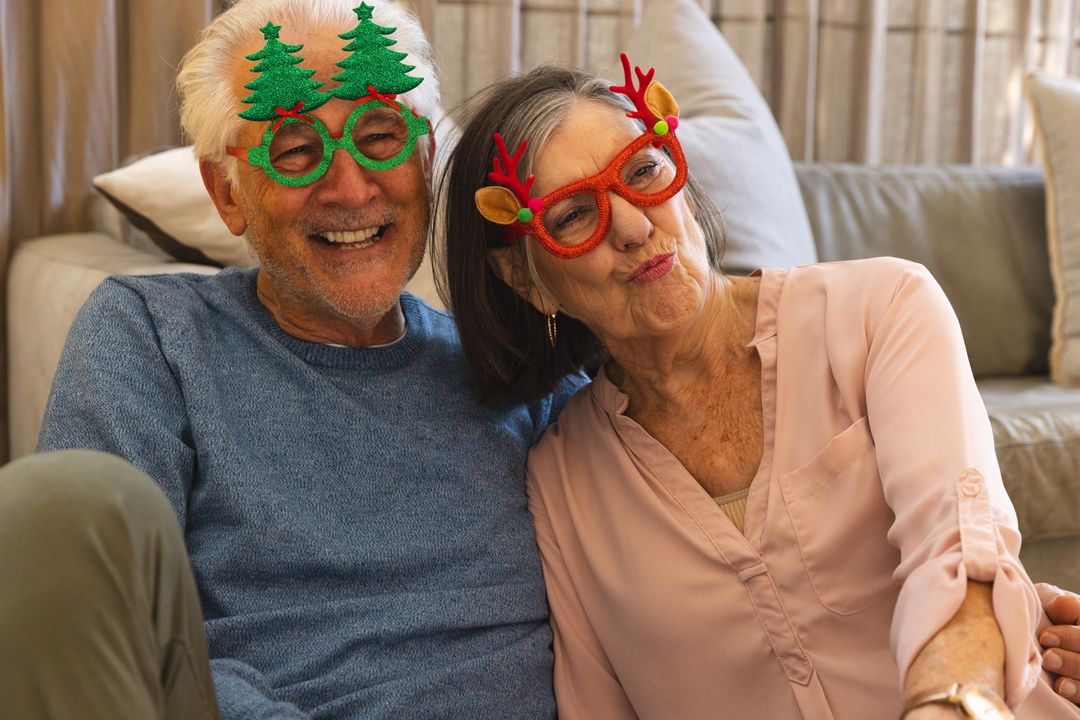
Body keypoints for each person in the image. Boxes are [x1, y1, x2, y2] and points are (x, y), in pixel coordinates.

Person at [439, 57, 1080, 719]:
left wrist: (955, 700)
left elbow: (961, 553)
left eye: (641, 170)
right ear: (523, 276)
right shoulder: (562, 484)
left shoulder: (882, 309)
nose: (633, 227)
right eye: (573, 216)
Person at [2, 1, 579, 718]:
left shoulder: (515, 369)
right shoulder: (154, 334)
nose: (351, 189)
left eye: (380, 137)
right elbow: (96, 612)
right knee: (53, 506)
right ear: (227, 194)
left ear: (426, 158)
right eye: (297, 151)